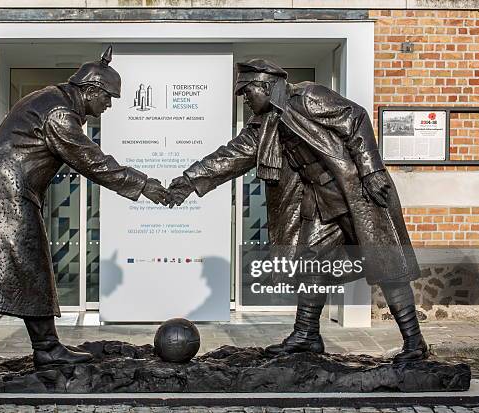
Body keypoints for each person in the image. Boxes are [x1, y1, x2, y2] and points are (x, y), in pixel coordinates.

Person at [0, 46, 171, 371]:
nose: (108, 106)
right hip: (8, 193)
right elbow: (91, 161)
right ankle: (47, 348)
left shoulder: (50, 97)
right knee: (30, 264)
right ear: (91, 89)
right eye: (107, 98)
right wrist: (143, 184)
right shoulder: (59, 113)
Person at [168, 58, 429, 363]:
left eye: (247, 92)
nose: (245, 99)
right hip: (319, 200)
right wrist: (187, 182)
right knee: (310, 264)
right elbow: (230, 156)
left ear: (264, 86)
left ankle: (415, 342)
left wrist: (372, 170)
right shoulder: (263, 125)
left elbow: (355, 118)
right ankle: (306, 334)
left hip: (356, 192)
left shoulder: (308, 97)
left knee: (386, 264)